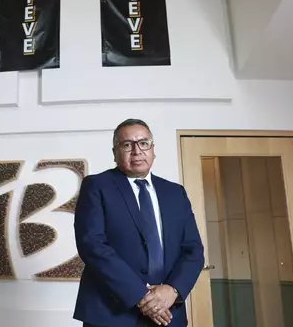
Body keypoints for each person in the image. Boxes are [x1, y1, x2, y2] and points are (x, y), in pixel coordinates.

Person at [73, 119, 204, 327]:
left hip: (169, 312)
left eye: (144, 143)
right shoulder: (97, 186)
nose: (136, 151)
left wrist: (173, 290)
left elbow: (193, 250)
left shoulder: (175, 193)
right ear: (115, 152)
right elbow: (92, 245)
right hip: (112, 312)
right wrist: (141, 296)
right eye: (127, 145)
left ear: (153, 149)